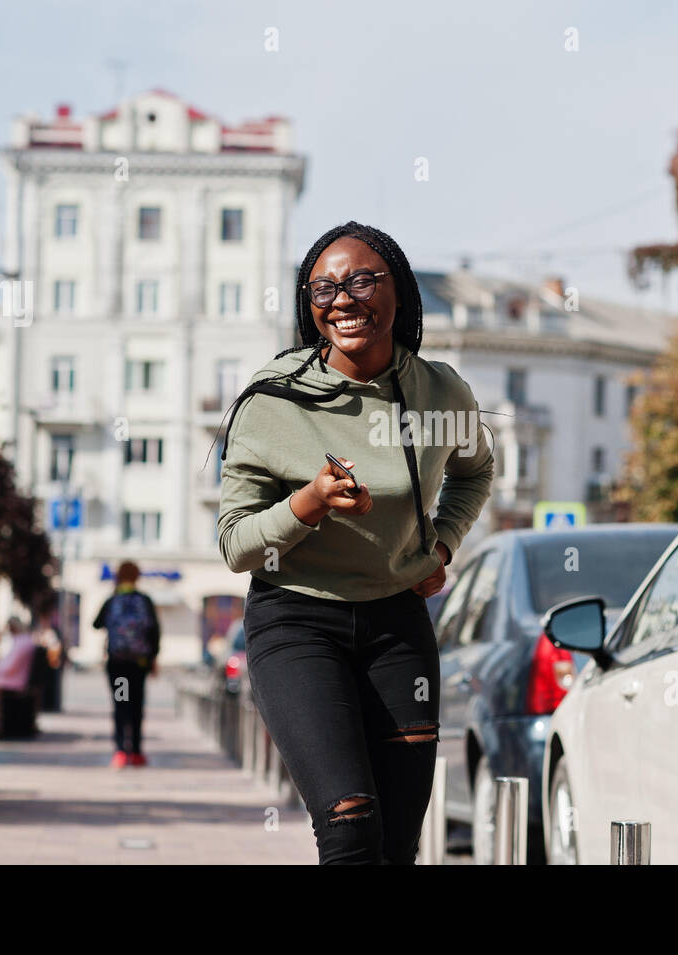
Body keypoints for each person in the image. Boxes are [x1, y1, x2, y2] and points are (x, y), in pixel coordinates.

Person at [215, 221, 495, 864]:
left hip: (397, 624)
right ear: (309, 306)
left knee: (395, 845)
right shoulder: (270, 401)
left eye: (362, 280)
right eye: (324, 287)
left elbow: (475, 469)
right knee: (349, 829)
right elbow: (234, 545)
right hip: (296, 623)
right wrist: (308, 504)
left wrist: (443, 545)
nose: (343, 299)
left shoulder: (441, 391)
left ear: (401, 292)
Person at [93, 562, 160, 768]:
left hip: (119, 664)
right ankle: (137, 752)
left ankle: (121, 750)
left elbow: (96, 624)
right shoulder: (145, 600)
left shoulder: (113, 599)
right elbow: (155, 632)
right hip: (138, 665)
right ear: (137, 577)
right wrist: (153, 658)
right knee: (137, 706)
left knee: (121, 703)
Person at [0, 616, 38, 693]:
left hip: (13, 682)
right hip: (14, 678)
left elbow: (9, 667)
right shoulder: (24, 640)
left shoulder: (22, 642)